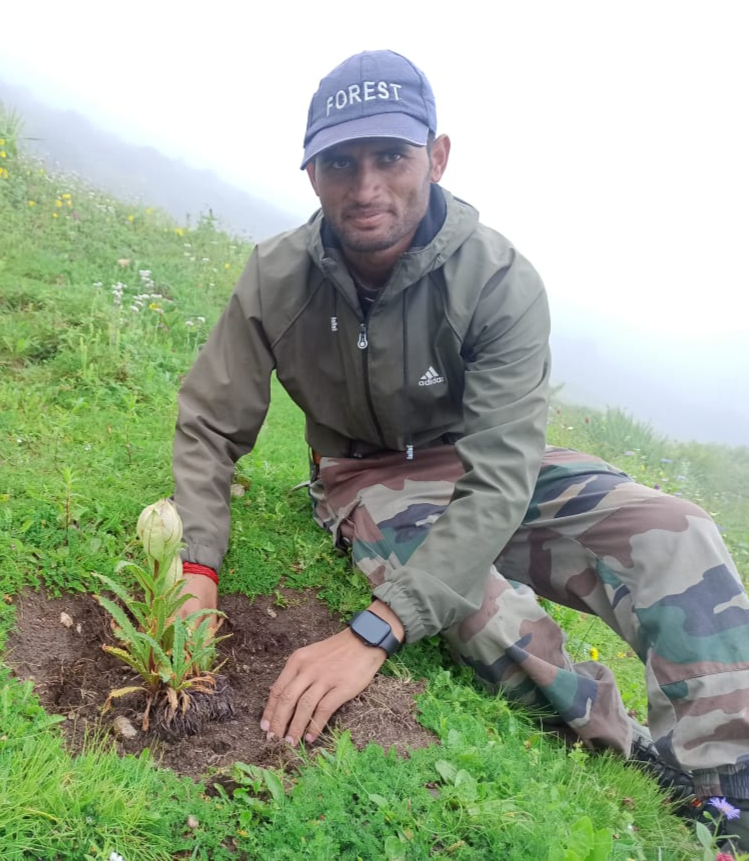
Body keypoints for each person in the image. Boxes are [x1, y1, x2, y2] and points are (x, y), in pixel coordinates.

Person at [172, 49, 749, 848]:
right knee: (476, 604)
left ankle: (728, 791)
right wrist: (196, 569)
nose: (365, 185)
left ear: (436, 156)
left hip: (485, 462)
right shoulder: (276, 275)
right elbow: (209, 422)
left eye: (391, 157)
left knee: (679, 530)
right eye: (340, 161)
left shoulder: (499, 279)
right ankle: (638, 758)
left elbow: (502, 472)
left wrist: (371, 631)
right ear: (311, 174)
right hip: (364, 474)